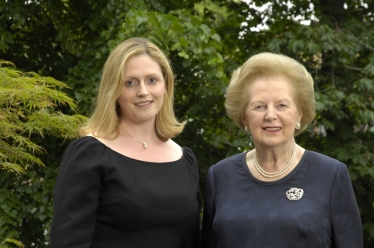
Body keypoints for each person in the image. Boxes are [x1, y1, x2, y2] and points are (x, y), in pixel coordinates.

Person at [200, 52, 362, 248]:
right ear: (244, 118)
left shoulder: (331, 175)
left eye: (281, 105)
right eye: (259, 106)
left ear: (299, 114)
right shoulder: (220, 176)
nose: (270, 115)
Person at [50, 37, 200, 248]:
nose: (143, 91)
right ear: (114, 90)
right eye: (130, 83)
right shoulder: (90, 154)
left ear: (166, 84)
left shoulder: (185, 160)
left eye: (152, 80)